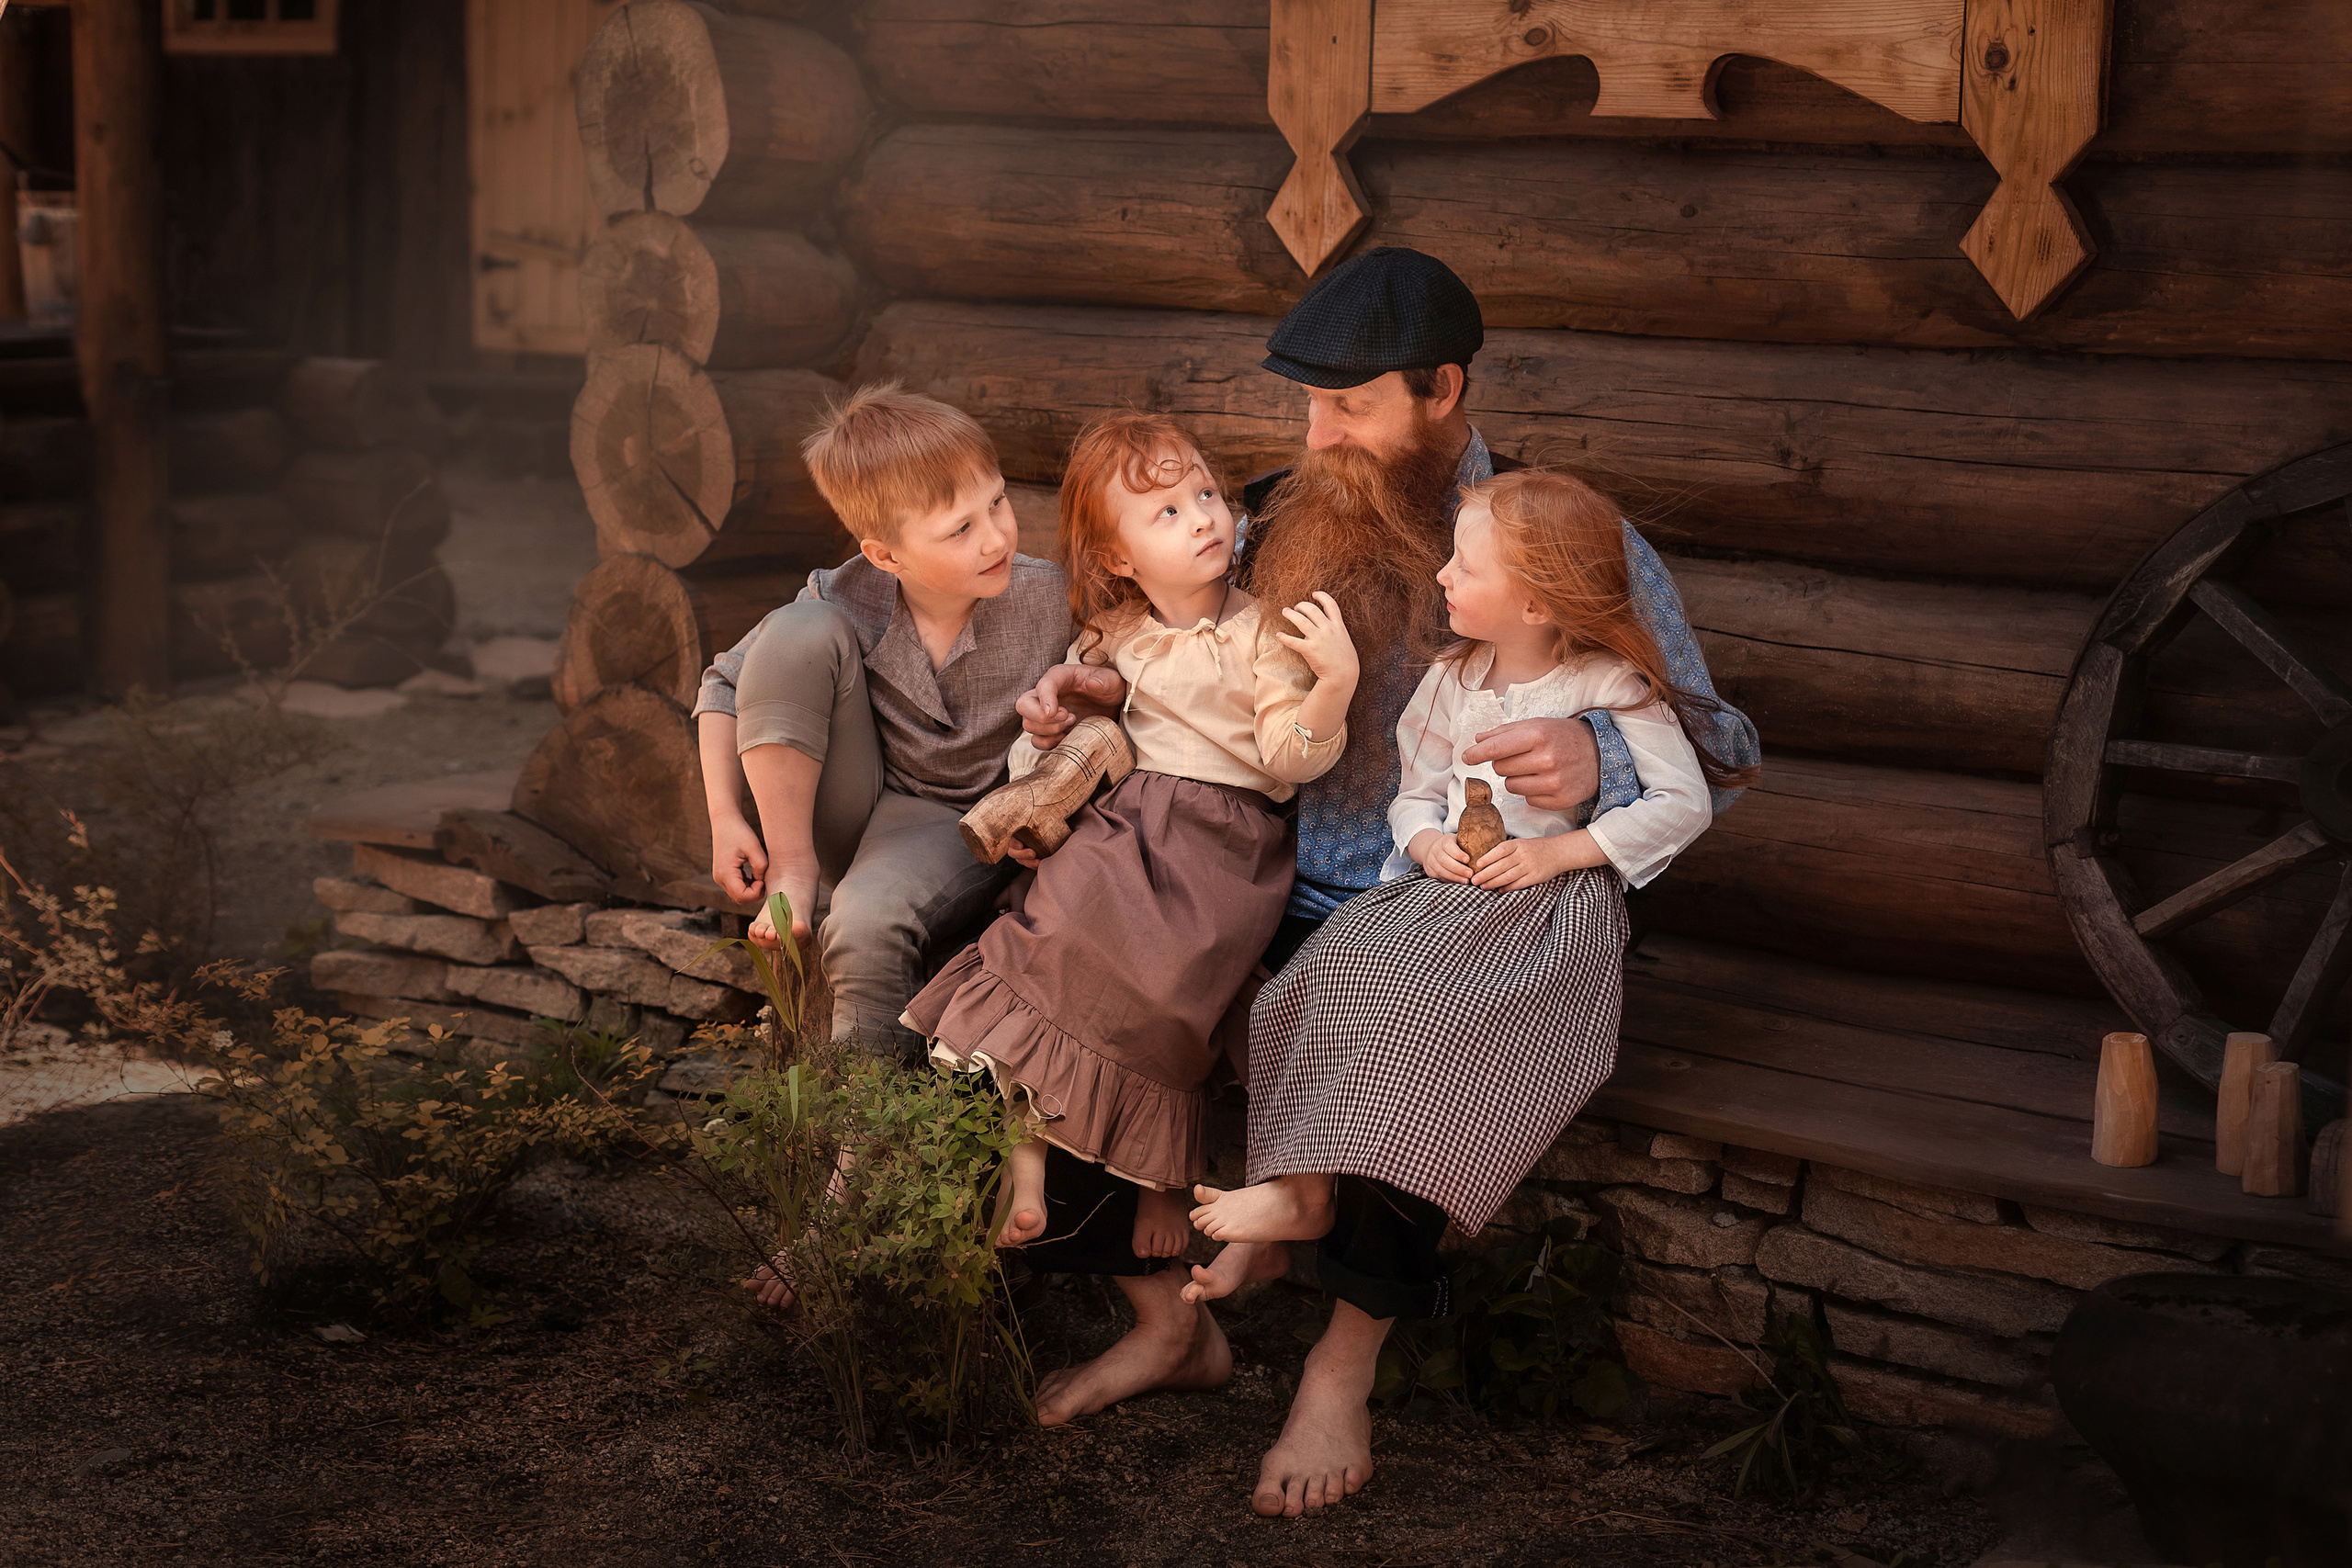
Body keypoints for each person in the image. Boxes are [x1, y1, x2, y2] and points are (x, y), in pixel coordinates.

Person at [1016, 247, 1759, 1516]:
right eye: (1309, 402)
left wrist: (1598, 752)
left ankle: (1342, 1360)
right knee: (1063, 953)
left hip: (1471, 896)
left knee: (1420, 1022)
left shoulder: (1558, 536)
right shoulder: (1268, 514)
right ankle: (1164, 1321)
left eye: (1349, 406)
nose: (1317, 435)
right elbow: (1170, 655)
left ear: (1441, 391)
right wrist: (1091, 694)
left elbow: (1721, 746)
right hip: (1260, 875)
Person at [1188, 465, 1741, 1288]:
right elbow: (1414, 793)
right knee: (1329, 972)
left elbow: (1685, 801)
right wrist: (1423, 844)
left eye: (1465, 567)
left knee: (1428, 1012)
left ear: (1537, 604)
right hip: (1446, 893)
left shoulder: (1606, 683)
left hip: (1544, 909)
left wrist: (1562, 852)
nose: (1442, 576)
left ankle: (1341, 1215)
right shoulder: (1452, 676)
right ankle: (1299, 1187)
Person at [900, 409, 1357, 1383]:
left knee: (1160, 992)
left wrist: (1333, 685)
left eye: (1205, 494)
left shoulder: (1260, 631)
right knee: (1046, 929)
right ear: (1117, 556)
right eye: (1167, 512)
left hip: (1216, 854)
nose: (1204, 518)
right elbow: (1068, 746)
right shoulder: (1116, 635)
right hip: (1125, 833)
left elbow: (1289, 760)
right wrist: (1047, 721)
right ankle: (1027, 1153)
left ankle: (1150, 1177)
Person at [693, 383, 1077, 1067]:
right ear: (886, 556)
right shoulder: (847, 591)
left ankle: (870, 1124)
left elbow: (1118, 676)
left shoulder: (1049, 596)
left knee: (865, 924)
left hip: (970, 825)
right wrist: (725, 818)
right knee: (796, 631)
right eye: (960, 529)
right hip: (857, 803)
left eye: (997, 503)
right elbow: (724, 685)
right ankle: (793, 871)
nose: (995, 538)